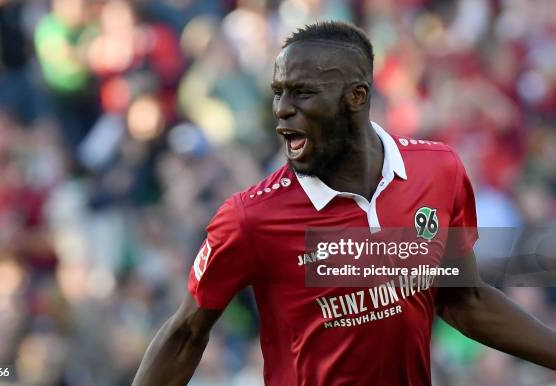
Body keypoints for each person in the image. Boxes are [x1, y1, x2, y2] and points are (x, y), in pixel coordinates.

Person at [132, 21, 556, 386]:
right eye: (278, 93)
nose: (281, 110)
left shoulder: (438, 171)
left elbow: (464, 300)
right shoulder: (251, 217)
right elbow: (186, 333)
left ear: (356, 96)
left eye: (301, 94)